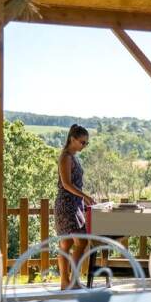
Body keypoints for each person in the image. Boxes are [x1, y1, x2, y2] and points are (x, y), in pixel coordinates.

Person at [54, 124, 95, 290]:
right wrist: (85, 196)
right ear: (72, 139)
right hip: (67, 205)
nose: (84, 145)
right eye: (82, 142)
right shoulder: (66, 157)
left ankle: (67, 282)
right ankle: (71, 281)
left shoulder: (73, 156)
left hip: (75, 204)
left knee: (68, 244)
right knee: (79, 242)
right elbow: (66, 184)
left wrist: (82, 200)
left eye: (86, 143)